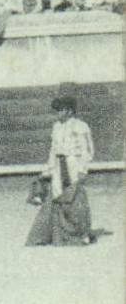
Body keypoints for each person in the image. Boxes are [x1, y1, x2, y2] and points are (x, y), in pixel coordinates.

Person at [26, 94, 99, 247]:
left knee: (75, 199)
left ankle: (81, 234)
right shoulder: (56, 127)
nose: (57, 114)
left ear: (69, 111)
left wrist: (82, 169)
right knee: (57, 196)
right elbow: (53, 150)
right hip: (59, 166)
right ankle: (60, 235)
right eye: (56, 111)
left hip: (73, 164)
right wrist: (48, 169)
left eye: (60, 111)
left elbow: (87, 150)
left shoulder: (81, 126)